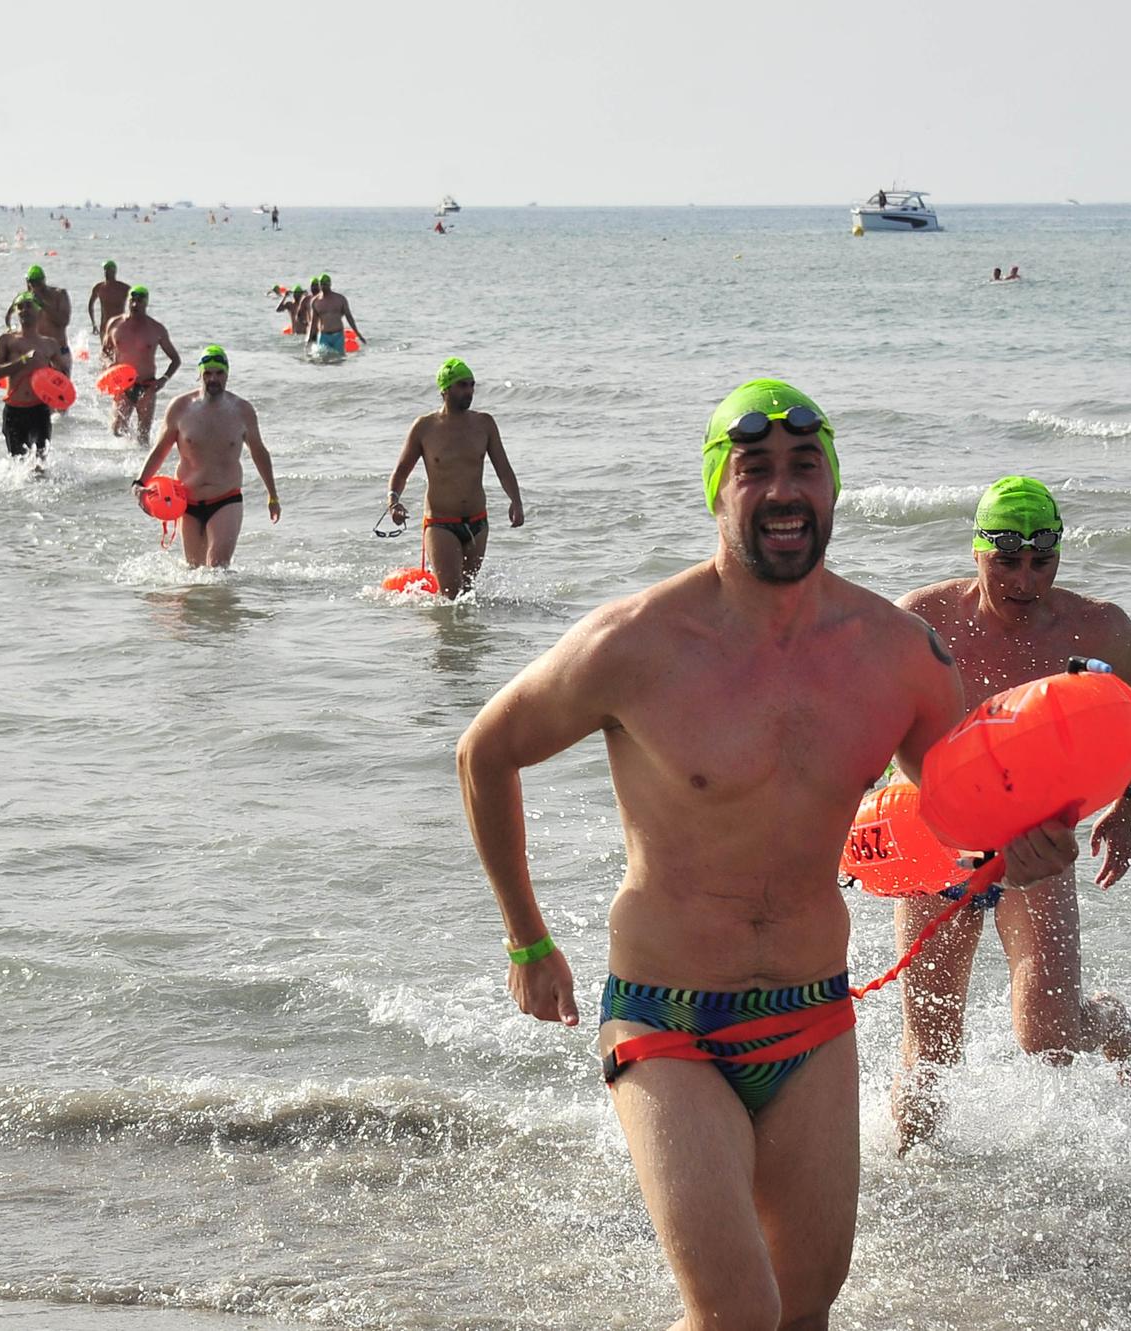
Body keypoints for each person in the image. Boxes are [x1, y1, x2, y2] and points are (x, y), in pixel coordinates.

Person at [455, 379, 1078, 1330]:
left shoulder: (899, 653)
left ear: (833, 488)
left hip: (812, 1019)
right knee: (737, 1310)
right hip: (667, 1020)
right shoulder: (636, 642)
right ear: (718, 490)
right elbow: (484, 752)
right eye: (755, 470)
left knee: (803, 1311)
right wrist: (527, 942)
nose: (784, 489)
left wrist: (1031, 834)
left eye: (805, 467)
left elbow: (965, 805)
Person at [890, 476, 1131, 1150]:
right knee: (931, 1044)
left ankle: (1109, 1021)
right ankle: (910, 1191)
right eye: (1006, 560)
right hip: (939, 840)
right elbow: (868, 716)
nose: (1024, 579)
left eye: (1041, 561)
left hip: (1038, 842)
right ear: (977, 549)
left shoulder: (1095, 625)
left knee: (1049, 1039)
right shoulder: (922, 623)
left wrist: (1129, 801)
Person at [384, 358, 524, 599]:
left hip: (478, 523)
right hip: (440, 524)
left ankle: (470, 637)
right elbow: (401, 471)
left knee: (467, 596)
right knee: (451, 597)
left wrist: (516, 501)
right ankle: (444, 636)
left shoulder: (485, 424)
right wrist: (393, 502)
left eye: (472, 385)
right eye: (462, 385)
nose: (469, 391)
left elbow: (503, 468)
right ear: (445, 389)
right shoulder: (425, 427)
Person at [133, 346, 281, 568]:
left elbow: (259, 452)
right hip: (187, 501)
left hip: (225, 498)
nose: (213, 379)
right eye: (208, 373)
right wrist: (139, 483)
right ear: (200, 374)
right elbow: (160, 450)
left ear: (227, 374)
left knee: (217, 567)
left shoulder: (242, 411)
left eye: (219, 373)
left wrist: (273, 495)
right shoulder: (180, 407)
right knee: (195, 573)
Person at [100, 286, 182, 445]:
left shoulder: (156, 329)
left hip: (147, 386)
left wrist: (163, 380)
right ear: (128, 301)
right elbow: (104, 352)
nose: (135, 305)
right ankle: (122, 463)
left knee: (143, 437)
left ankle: (141, 465)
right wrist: (109, 364)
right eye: (132, 300)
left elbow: (175, 359)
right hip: (122, 386)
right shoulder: (115, 324)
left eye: (140, 301)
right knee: (116, 430)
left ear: (146, 303)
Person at [0, 295, 61, 469]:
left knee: (41, 466)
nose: (24, 310)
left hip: (40, 410)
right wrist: (23, 360)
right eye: (20, 306)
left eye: (28, 306)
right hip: (15, 412)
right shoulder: (7, 340)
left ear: (39, 311)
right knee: (19, 468)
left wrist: (59, 400)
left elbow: (61, 378)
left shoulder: (50, 345)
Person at [8, 264, 72, 372]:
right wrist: (12, 330)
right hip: (37, 353)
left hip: (59, 352)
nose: (33, 286)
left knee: (60, 386)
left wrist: (42, 304)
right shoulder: (25, 298)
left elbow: (64, 321)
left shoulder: (59, 295)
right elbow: (8, 316)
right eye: (30, 282)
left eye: (36, 282)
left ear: (43, 281)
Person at [305, 273, 363, 358]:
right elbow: (313, 322)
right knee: (321, 360)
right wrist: (309, 339)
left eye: (325, 284)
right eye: (321, 284)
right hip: (323, 336)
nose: (323, 286)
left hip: (338, 335)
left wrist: (358, 334)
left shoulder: (340, 299)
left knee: (340, 360)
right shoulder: (315, 301)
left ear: (330, 284)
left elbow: (349, 317)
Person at [88, 260, 130, 354]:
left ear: (114, 271)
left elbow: (136, 302)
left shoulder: (124, 288)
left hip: (120, 325)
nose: (106, 272)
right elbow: (91, 305)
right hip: (104, 326)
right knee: (105, 353)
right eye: (105, 270)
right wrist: (93, 324)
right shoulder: (99, 287)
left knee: (120, 352)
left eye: (108, 270)